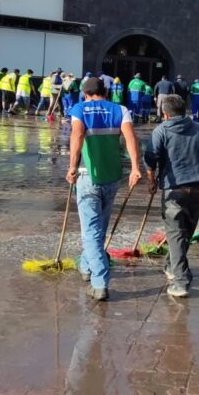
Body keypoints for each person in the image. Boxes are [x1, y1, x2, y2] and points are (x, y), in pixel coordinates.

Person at [67, 77, 142, 302]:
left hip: (88, 176)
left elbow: (77, 136)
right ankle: (86, 266)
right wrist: (136, 168)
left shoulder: (79, 109)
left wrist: (71, 166)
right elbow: (131, 139)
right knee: (99, 227)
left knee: (90, 231)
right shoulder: (121, 109)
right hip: (112, 177)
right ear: (105, 91)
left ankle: (99, 283)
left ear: (85, 93)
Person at [144, 95, 199, 298]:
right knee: (186, 232)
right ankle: (172, 266)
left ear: (165, 113)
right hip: (197, 188)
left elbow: (150, 158)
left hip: (174, 190)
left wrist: (151, 181)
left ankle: (181, 281)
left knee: (176, 233)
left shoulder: (161, 130)